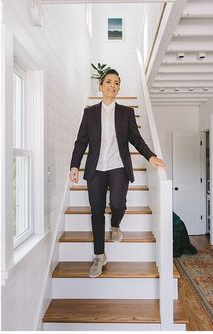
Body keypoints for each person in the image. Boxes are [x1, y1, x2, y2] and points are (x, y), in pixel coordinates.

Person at [69, 69, 166, 278]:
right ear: (101, 86)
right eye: (109, 81)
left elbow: (136, 139)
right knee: (96, 211)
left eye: (117, 83)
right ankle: (99, 255)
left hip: (118, 166)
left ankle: (115, 223)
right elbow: (81, 141)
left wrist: (151, 157)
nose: (113, 85)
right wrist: (75, 165)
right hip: (95, 168)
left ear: (118, 87)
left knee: (118, 203)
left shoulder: (126, 113)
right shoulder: (89, 113)